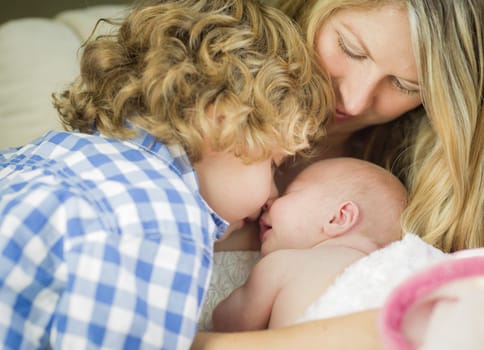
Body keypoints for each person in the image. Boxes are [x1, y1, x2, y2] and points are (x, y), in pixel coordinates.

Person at [0, 0, 332, 348]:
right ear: (222, 121)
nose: (273, 196)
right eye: (274, 165)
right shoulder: (160, 216)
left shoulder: (54, 150)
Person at [192, 0, 483, 348]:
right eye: (352, 49)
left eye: (406, 85)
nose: (356, 100)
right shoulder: (197, 117)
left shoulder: (426, 194)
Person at [212, 158, 407, 331]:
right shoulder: (394, 276)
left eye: (288, 193)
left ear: (338, 218)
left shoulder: (284, 264)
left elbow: (230, 322)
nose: (268, 203)